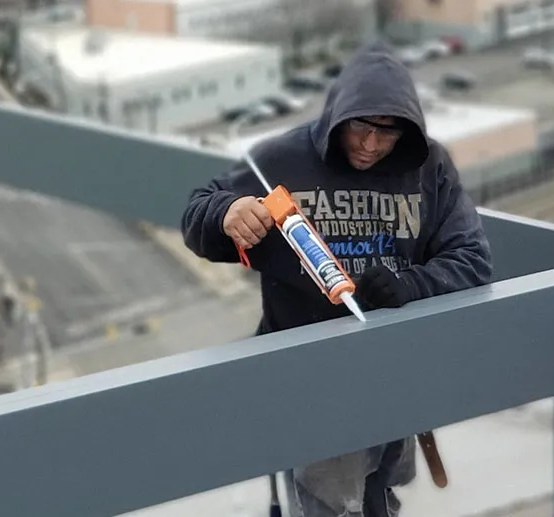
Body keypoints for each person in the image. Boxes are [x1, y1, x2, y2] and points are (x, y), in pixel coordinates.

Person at [180, 40, 493, 517]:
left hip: (393, 373)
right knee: (327, 503)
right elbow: (198, 212)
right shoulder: (281, 160)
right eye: (361, 127)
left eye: (387, 133)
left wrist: (411, 284)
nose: (370, 145)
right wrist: (226, 213)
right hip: (310, 381)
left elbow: (471, 258)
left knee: (379, 495)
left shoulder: (429, 168)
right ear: (337, 117)